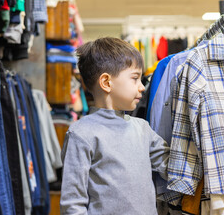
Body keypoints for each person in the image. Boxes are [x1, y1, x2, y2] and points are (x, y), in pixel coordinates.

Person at [60, 37, 170, 215]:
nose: (142, 87)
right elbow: (73, 203)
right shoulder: (81, 134)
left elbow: (171, 166)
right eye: (135, 79)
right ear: (106, 82)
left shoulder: (142, 129)